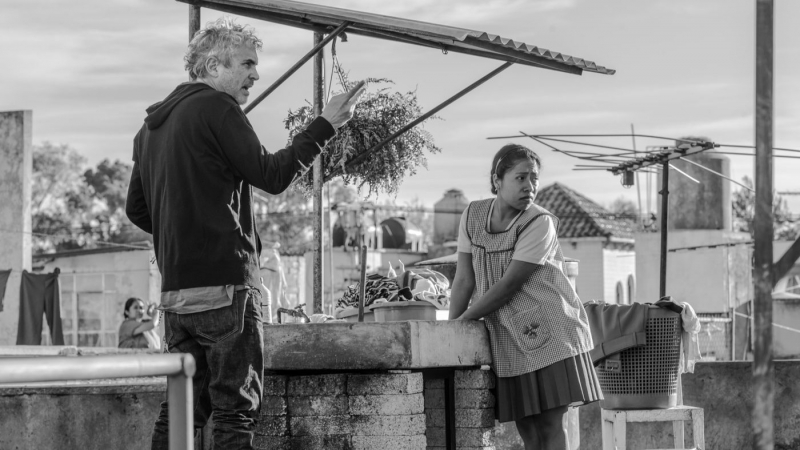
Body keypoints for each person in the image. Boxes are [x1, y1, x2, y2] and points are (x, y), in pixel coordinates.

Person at [125, 17, 365, 450]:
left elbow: (137, 210)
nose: (256, 74)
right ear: (214, 66)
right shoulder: (218, 109)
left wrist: (184, 235)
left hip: (177, 298)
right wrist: (326, 123)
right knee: (236, 413)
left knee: (179, 411)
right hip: (226, 291)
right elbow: (271, 175)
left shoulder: (150, 129)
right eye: (248, 64)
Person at [449, 144, 602, 450]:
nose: (529, 186)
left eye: (534, 178)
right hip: (508, 339)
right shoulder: (472, 216)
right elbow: (464, 279)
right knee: (528, 430)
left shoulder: (539, 222)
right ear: (497, 179)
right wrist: (450, 331)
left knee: (549, 424)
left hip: (551, 332)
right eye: (520, 178)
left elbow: (509, 285)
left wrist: (465, 320)